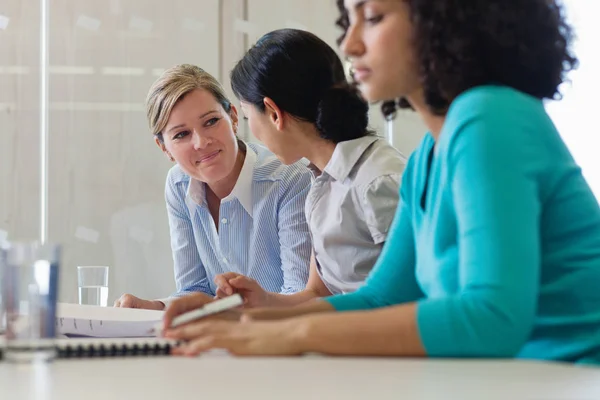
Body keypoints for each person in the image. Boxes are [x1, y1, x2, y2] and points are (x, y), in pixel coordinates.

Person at [162, 0, 600, 364]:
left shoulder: (489, 117)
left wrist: (297, 334)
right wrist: (237, 319)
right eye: (348, 21)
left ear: (440, 20)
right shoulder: (433, 151)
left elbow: (492, 318)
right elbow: (381, 297)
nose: (350, 44)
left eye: (372, 18)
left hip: (571, 375)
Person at [165, 29, 405, 312]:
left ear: (273, 113)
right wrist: (261, 302)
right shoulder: (321, 182)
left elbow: (409, 304)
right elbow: (318, 294)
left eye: (245, 116)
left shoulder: (378, 182)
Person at [114, 64, 312, 310]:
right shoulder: (178, 185)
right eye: (181, 134)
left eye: (211, 121)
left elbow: (302, 296)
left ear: (233, 117)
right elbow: (194, 290)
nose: (201, 142)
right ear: (163, 147)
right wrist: (153, 308)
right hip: (226, 338)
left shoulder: (290, 178)